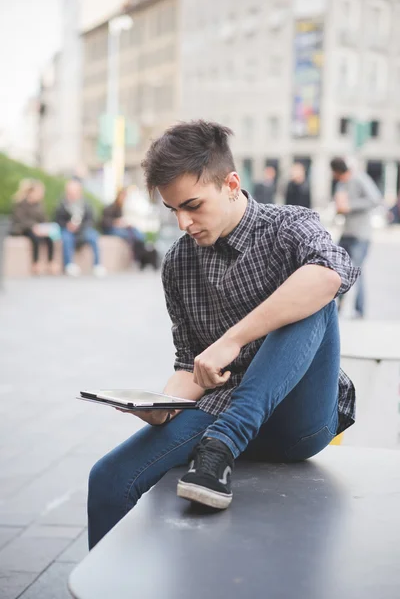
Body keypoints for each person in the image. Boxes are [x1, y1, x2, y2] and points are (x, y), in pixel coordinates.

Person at [88, 121, 359, 549]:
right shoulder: (179, 263)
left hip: (298, 420)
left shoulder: (290, 226)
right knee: (108, 478)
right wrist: (162, 406)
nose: (182, 222)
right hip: (217, 412)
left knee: (313, 293)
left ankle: (223, 445)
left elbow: (333, 274)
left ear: (231, 183)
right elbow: (187, 363)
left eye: (193, 205)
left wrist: (232, 339)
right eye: (172, 209)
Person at [330, 157, 381, 318]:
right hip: (346, 233)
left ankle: (359, 310)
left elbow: (375, 199)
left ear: (338, 171)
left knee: (356, 271)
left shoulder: (359, 178)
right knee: (337, 268)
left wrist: (350, 206)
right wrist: (340, 209)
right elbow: (341, 206)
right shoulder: (341, 185)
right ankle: (337, 307)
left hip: (361, 234)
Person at [55, 178, 106, 277]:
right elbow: (57, 220)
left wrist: (80, 226)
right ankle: (69, 265)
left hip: (83, 230)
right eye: (70, 192)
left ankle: (97, 265)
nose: (72, 194)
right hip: (68, 230)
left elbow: (91, 220)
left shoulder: (86, 204)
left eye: (74, 191)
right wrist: (67, 225)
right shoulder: (62, 204)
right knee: (66, 238)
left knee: (94, 236)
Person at [9, 179, 58, 275]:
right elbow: (20, 219)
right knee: (35, 238)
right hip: (23, 228)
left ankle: (51, 262)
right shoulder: (21, 203)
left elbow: (43, 218)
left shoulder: (39, 204)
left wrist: (45, 227)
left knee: (49, 238)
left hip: (38, 229)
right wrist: (33, 226)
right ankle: (35, 263)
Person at [100, 187, 146, 266]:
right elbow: (104, 222)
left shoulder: (121, 208)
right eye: (123, 196)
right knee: (127, 235)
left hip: (122, 228)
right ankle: (135, 257)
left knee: (138, 234)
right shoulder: (110, 207)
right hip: (110, 229)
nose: (124, 199)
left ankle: (138, 256)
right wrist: (116, 222)